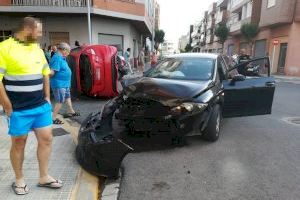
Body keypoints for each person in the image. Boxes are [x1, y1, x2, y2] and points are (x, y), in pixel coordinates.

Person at [0, 17, 63, 195]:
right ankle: (19, 180)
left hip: (40, 106)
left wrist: (47, 98)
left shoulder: (36, 49)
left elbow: (45, 74)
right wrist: (6, 105)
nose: (41, 35)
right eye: (39, 31)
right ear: (27, 29)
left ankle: (43, 177)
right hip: (18, 108)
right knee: (19, 143)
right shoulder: (4, 48)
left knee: (47, 139)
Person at [50, 42, 80, 125]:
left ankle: (71, 111)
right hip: (59, 84)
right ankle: (53, 118)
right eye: (68, 51)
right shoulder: (57, 58)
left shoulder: (61, 58)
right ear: (63, 50)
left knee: (67, 97)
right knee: (60, 101)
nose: (68, 53)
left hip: (65, 84)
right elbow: (52, 72)